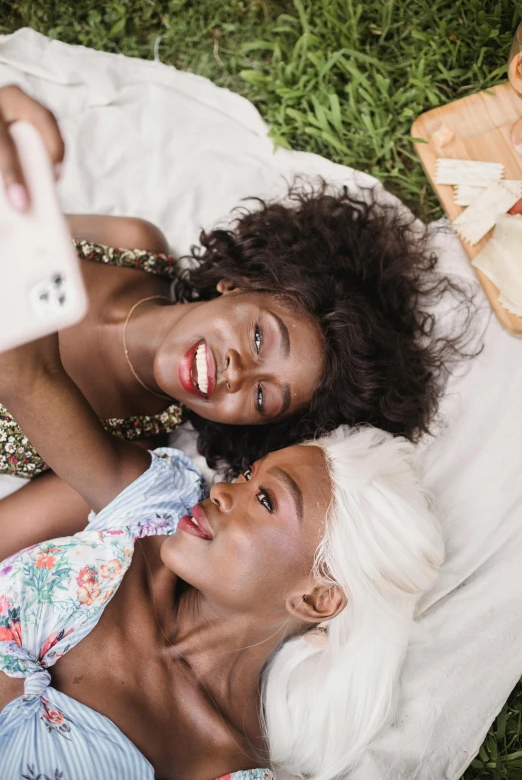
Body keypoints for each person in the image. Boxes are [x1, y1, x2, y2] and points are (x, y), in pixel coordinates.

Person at [0, 331, 443, 780]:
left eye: (267, 500)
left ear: (316, 600)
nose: (225, 491)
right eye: (250, 474)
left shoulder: (218, 765)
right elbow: (28, 377)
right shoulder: (154, 509)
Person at [0, 86, 473, 492]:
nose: (237, 372)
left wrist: (30, 376)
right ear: (236, 284)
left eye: (264, 398)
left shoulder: (120, 454)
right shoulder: (132, 244)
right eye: (260, 338)